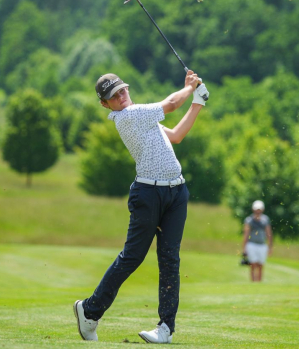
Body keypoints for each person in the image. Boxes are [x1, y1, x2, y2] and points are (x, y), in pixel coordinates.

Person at [73, 70, 209, 344]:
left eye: (122, 90)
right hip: (147, 194)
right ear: (105, 104)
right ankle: (89, 310)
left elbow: (176, 135)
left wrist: (197, 103)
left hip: (176, 193)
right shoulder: (128, 117)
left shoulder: (142, 115)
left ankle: (166, 328)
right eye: (113, 96)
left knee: (170, 260)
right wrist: (190, 86)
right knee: (133, 257)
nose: (121, 97)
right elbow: (170, 104)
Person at [241, 200, 273, 282]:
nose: (258, 211)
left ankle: (259, 282)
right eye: (256, 209)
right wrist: (244, 248)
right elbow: (246, 234)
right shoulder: (249, 220)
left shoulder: (265, 220)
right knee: (253, 264)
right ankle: (253, 282)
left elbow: (269, 233)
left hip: (262, 245)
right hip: (252, 244)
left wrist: (270, 246)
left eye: (259, 209)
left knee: (260, 265)